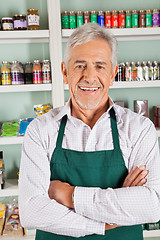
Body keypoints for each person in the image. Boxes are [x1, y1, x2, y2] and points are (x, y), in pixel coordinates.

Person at [19, 23, 160, 240]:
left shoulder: (139, 129)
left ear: (113, 73)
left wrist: (69, 195)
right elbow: (32, 212)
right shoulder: (40, 130)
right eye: (80, 65)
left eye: (100, 66)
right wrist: (107, 221)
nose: (90, 77)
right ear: (65, 72)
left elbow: (151, 205)